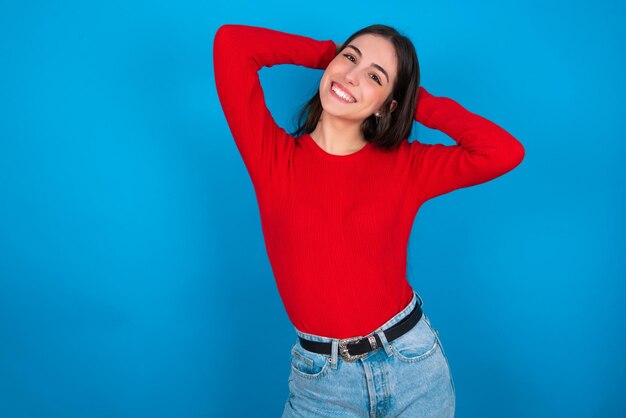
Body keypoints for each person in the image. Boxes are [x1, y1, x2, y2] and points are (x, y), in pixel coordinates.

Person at [213, 23, 524, 418]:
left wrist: (413, 100)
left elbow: (502, 151)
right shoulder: (273, 159)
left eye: (375, 77)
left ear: (387, 104)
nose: (351, 76)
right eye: (350, 58)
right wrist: (329, 54)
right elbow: (232, 44)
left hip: (413, 365)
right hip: (322, 384)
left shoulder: (407, 166)